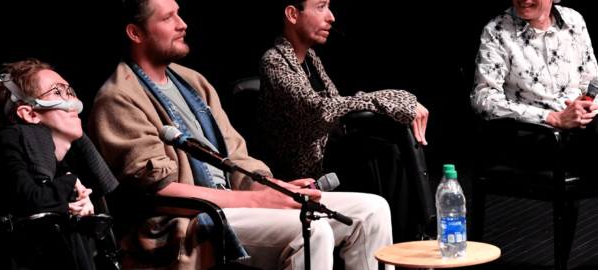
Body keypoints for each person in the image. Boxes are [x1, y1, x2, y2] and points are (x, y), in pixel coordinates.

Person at [87, 0, 393, 269]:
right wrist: (254, 201)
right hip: (185, 223)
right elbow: (160, 194)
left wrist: (279, 189)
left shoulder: (194, 81)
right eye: (167, 18)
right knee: (311, 229)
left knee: (373, 210)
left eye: (178, 14)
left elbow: (237, 156)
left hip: (233, 204)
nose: (183, 24)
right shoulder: (117, 99)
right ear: (135, 33)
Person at [254, 0, 429, 242]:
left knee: (385, 148)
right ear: (293, 14)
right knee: (374, 155)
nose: (331, 17)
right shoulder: (274, 62)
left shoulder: (312, 59)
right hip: (304, 176)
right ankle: (405, 241)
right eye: (321, 7)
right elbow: (318, 112)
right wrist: (393, 99)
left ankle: (413, 238)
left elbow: (338, 107)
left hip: (330, 162)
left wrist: (388, 103)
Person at [0, 59, 118, 270]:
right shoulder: (7, 141)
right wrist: (70, 185)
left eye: (70, 91)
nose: (74, 102)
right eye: (58, 93)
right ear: (30, 114)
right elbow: (31, 198)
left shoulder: (72, 159)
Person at [471, 0, 598, 175]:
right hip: (534, 136)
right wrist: (552, 118)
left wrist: (587, 106)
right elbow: (484, 100)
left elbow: (591, 80)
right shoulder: (497, 30)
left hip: (582, 129)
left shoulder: (574, 20)